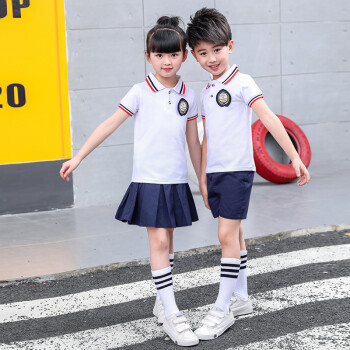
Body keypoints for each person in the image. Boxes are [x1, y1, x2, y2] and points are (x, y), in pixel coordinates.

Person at [60, 16, 201, 347]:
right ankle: (171, 313)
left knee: (168, 240)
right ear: (148, 56)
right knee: (160, 244)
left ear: (184, 55)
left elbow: (194, 143)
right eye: (158, 55)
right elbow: (110, 124)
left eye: (173, 54)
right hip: (149, 182)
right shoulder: (140, 92)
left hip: (176, 181)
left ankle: (161, 299)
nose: (166, 61)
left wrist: (203, 181)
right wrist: (79, 156)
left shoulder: (189, 96)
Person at [186, 8, 310, 340]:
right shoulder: (206, 91)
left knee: (225, 237)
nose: (212, 58)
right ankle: (240, 298)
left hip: (238, 172)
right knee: (235, 236)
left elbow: (268, 117)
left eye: (217, 49)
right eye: (203, 52)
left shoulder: (242, 82)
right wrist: (201, 177)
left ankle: (222, 309)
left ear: (230, 46)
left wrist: (294, 157)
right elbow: (207, 137)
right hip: (216, 174)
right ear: (194, 55)